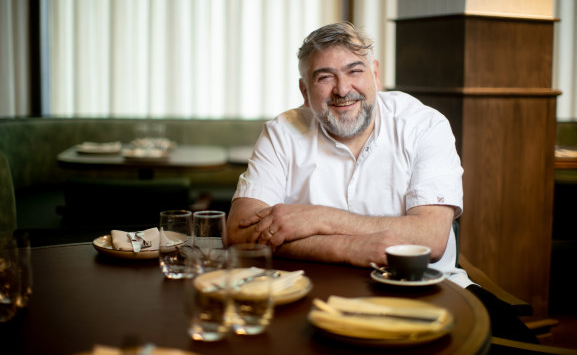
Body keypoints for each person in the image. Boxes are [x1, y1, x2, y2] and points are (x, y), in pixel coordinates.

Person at [227, 21, 538, 343]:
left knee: (521, 347)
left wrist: (318, 218)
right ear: (305, 91)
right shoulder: (281, 132)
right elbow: (239, 233)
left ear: (375, 73)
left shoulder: (424, 126)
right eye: (324, 77)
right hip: (309, 291)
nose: (342, 89)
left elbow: (429, 239)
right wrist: (346, 247)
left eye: (354, 71)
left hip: (428, 289)